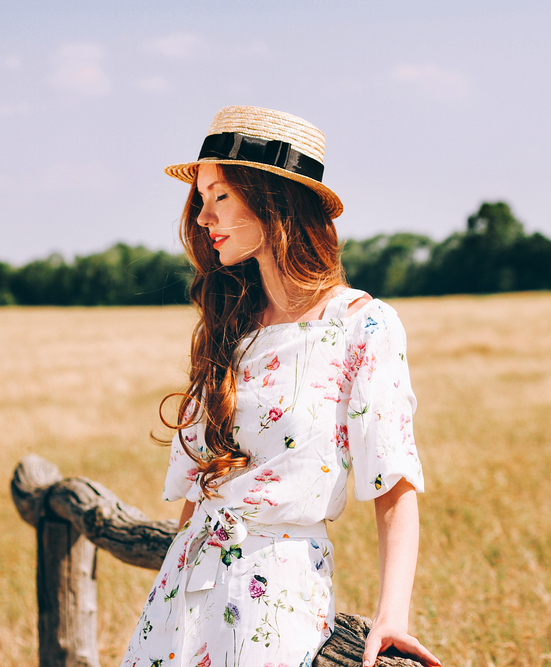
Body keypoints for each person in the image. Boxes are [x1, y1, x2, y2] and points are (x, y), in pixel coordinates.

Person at [121, 106, 439, 667]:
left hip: (275, 603)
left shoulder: (361, 326)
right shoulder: (232, 323)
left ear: (270, 197)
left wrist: (393, 616)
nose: (201, 217)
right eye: (200, 198)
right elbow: (201, 490)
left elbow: (393, 480)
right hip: (180, 601)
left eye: (219, 196)